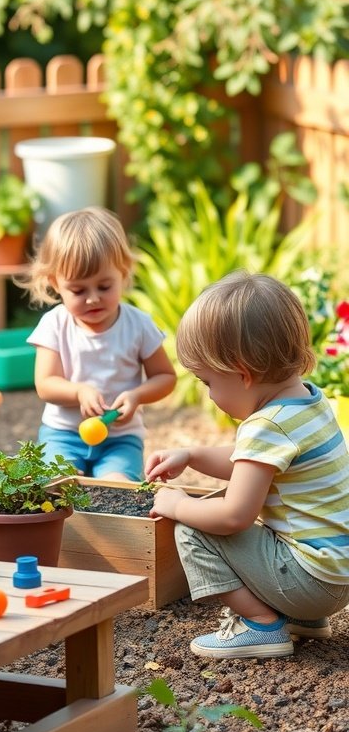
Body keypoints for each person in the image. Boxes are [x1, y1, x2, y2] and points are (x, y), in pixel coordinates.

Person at [145, 270, 349, 660]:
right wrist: (191, 455)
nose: (207, 395)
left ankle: (260, 625)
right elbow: (251, 462)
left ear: (242, 374)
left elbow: (235, 516)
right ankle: (301, 619)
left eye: (207, 382)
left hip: (311, 583)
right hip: (335, 575)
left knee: (195, 529)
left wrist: (178, 505)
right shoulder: (306, 401)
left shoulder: (265, 425)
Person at [21, 207, 176, 482]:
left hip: (120, 438)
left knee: (117, 489)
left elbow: (165, 377)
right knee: (56, 486)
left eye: (104, 287)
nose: (93, 299)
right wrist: (79, 391)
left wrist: (137, 396)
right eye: (78, 291)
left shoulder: (138, 324)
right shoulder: (55, 324)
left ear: (123, 272)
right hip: (63, 435)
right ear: (55, 282)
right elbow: (45, 384)